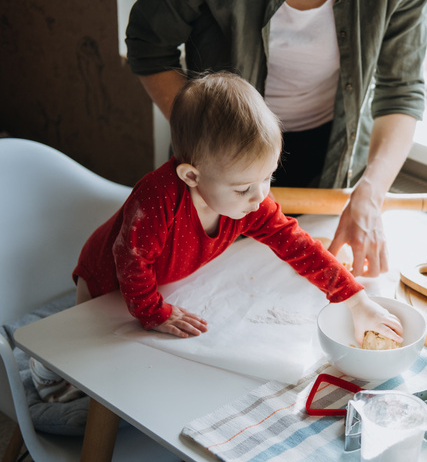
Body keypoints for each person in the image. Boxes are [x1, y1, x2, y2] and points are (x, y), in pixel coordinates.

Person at [30, 72, 402, 402]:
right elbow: (129, 259)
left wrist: (357, 301)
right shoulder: (156, 200)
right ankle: (42, 371)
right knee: (81, 359)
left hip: (157, 276)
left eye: (268, 177)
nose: (260, 197)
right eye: (244, 188)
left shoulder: (250, 203)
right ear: (192, 176)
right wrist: (152, 313)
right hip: (105, 275)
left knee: (126, 368)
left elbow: (297, 245)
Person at [125, 0, 427, 277]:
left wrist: (371, 192)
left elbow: (401, 91)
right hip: (223, 169)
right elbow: (148, 44)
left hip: (332, 157)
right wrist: (213, 145)